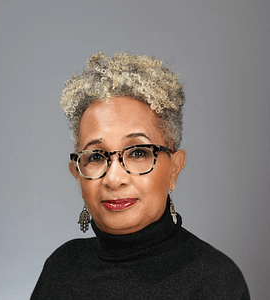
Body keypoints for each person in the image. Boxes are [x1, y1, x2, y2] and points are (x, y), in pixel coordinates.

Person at [31, 52, 250, 299]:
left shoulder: (215, 281)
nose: (114, 179)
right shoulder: (61, 269)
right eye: (96, 156)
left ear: (174, 168)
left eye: (138, 152)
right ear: (77, 174)